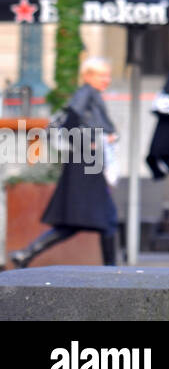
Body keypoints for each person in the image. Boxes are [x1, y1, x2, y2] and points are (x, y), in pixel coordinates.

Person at [9, 58, 119, 268]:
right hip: (87, 168)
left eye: (108, 75)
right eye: (102, 75)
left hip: (86, 167)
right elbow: (71, 126)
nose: (107, 79)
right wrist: (91, 144)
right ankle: (111, 271)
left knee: (76, 223)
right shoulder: (85, 95)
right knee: (107, 220)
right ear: (88, 76)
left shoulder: (90, 96)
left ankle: (25, 254)